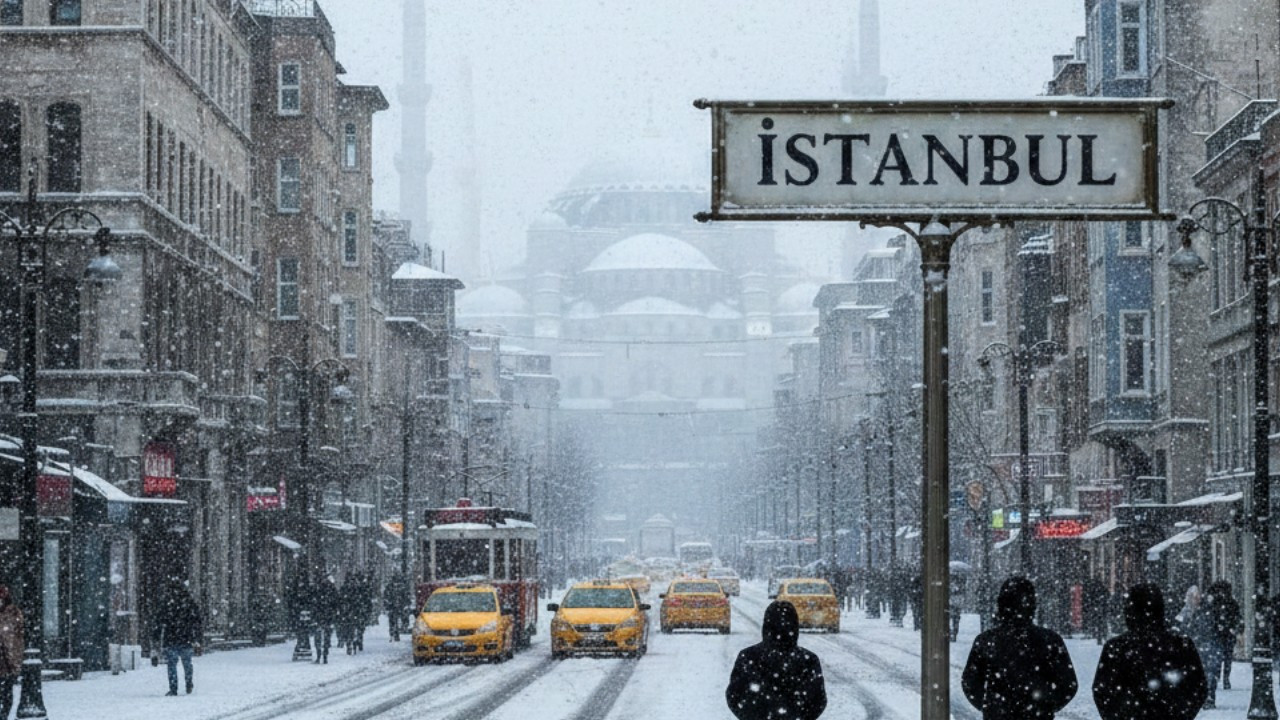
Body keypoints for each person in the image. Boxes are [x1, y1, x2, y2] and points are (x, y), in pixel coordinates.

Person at [961, 576, 1077, 720]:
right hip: (1036, 714)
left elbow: (970, 682)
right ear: (1032, 605)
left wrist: (990, 706)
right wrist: (1045, 705)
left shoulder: (986, 640)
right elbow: (1068, 684)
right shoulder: (1050, 640)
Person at [1092, 583, 1207, 719]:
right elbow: (1198, 688)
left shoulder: (1117, 647)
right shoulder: (1181, 645)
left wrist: (1120, 715)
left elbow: (1102, 690)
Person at [725, 601, 827, 720]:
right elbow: (818, 701)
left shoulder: (748, 657)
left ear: (766, 626)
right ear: (795, 627)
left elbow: (734, 696)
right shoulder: (808, 660)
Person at [153, 581, 203, 696]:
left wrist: (156, 638)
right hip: (186, 638)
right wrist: (197, 639)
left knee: (172, 664)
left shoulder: (166, 603)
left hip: (170, 638)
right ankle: (189, 682)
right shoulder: (189, 603)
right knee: (187, 663)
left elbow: (158, 622)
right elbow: (197, 622)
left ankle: (173, 687)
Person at [1205, 580, 1239, 690]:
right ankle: (1224, 678)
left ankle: (1220, 677)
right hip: (1224, 633)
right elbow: (1236, 617)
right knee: (1225, 657)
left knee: (1220, 656)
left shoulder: (1218, 603)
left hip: (1221, 633)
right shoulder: (1230, 603)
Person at [0, 586, 23, 720]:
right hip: (7, 662)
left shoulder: (13, 612)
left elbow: (18, 639)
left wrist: (15, 662)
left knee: (6, 695)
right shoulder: (13, 613)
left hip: (7, 663)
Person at [311, 576, 339, 664]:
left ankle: (319, 654)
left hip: (319, 616)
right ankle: (325, 654)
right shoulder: (332, 589)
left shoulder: (317, 589)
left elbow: (313, 603)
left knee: (318, 636)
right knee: (326, 636)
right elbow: (336, 603)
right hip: (328, 616)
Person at [1082, 577, 1110, 644]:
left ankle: (1098, 636)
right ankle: (1103, 635)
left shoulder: (1092, 589)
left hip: (1096, 608)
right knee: (1102, 623)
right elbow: (1107, 596)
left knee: (1096, 623)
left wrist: (1089, 607)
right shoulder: (1103, 588)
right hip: (1102, 608)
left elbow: (1089, 599)